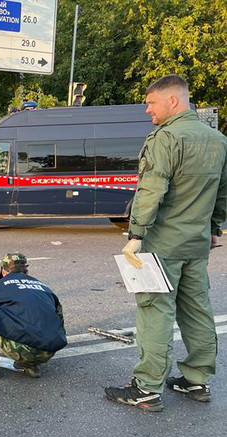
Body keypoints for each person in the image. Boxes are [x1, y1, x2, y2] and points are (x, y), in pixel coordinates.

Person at [105, 74, 227, 412]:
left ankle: (146, 387)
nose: (148, 109)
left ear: (173, 101)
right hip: (197, 242)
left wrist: (136, 235)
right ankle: (197, 379)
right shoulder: (217, 140)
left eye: (152, 102)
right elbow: (222, 192)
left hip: (163, 244)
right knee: (197, 309)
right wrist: (215, 227)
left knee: (155, 311)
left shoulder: (166, 138)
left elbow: (151, 190)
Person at [0, 253, 66, 380]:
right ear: (27, 270)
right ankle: (31, 365)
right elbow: (58, 318)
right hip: (48, 351)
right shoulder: (44, 288)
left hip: (20, 349)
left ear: (3, 271)